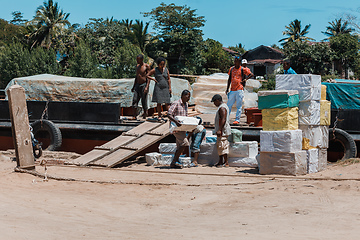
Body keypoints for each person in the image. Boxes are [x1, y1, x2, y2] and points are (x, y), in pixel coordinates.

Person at [225, 56, 254, 125]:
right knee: (229, 105)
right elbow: (229, 79)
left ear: (239, 62)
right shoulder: (231, 69)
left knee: (239, 105)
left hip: (239, 89)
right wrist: (227, 88)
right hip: (232, 89)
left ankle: (237, 119)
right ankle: (226, 119)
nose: (235, 62)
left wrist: (245, 79)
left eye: (236, 61)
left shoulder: (243, 69)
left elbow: (251, 74)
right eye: (234, 61)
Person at [167, 90, 191, 169]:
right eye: (188, 97)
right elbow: (169, 114)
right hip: (176, 128)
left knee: (179, 146)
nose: (189, 99)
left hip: (183, 128)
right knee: (185, 143)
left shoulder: (186, 105)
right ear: (183, 95)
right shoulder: (176, 103)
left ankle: (174, 163)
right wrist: (175, 122)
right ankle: (174, 161)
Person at [211, 94, 231, 167]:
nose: (214, 104)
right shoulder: (222, 107)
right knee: (220, 146)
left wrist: (219, 129)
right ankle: (220, 161)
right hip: (222, 130)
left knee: (223, 145)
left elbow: (223, 119)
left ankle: (226, 162)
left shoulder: (222, 108)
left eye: (214, 102)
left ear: (217, 100)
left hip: (223, 130)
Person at [131, 54, 153, 119]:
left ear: (142, 59)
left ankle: (145, 113)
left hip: (144, 84)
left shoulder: (147, 66)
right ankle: (134, 115)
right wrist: (133, 86)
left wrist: (147, 87)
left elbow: (149, 77)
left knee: (144, 100)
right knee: (135, 99)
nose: (137, 61)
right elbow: (136, 77)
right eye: (136, 59)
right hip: (137, 85)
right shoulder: (137, 66)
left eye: (138, 59)